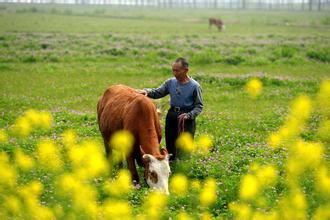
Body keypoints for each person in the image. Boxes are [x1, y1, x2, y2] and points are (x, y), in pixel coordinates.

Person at [137, 57, 203, 161]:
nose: (174, 73)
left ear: (186, 70)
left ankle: (183, 168)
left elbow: (199, 106)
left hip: (186, 118)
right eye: (173, 70)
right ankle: (170, 165)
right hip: (172, 115)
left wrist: (189, 115)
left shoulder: (195, 86)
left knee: (185, 146)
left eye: (177, 70)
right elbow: (158, 92)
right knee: (170, 142)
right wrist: (147, 92)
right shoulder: (170, 82)